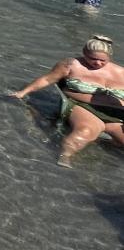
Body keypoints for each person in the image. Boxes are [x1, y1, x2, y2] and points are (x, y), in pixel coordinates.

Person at [10, 35, 124, 167]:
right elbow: (47, 79)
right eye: (93, 58)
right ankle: (64, 157)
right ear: (84, 52)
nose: (97, 63)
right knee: (84, 132)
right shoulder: (70, 65)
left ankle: (105, 142)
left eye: (102, 60)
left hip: (117, 114)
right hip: (83, 107)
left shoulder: (121, 72)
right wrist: (23, 92)